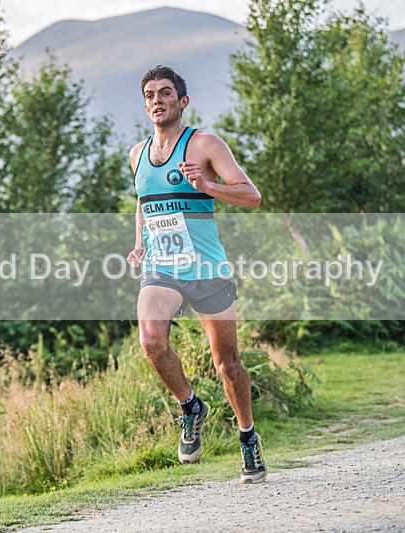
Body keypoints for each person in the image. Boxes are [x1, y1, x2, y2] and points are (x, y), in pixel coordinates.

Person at [126, 65, 266, 483]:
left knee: (227, 365)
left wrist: (206, 186)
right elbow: (144, 201)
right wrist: (140, 242)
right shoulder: (137, 154)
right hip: (161, 267)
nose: (157, 99)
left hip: (206, 268)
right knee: (151, 341)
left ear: (182, 101)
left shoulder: (204, 144)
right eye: (150, 93)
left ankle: (247, 436)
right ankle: (190, 407)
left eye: (166, 92)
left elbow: (251, 197)